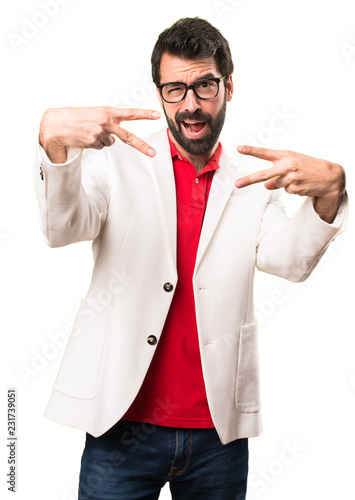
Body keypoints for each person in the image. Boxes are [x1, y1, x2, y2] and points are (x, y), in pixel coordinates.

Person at [34, 17, 347, 500]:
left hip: (217, 434)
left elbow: (289, 261)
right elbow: (63, 229)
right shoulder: (118, 159)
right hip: (119, 424)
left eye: (204, 85)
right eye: (175, 89)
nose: (191, 105)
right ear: (159, 93)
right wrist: (56, 146)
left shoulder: (253, 178)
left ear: (228, 86)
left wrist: (329, 194)